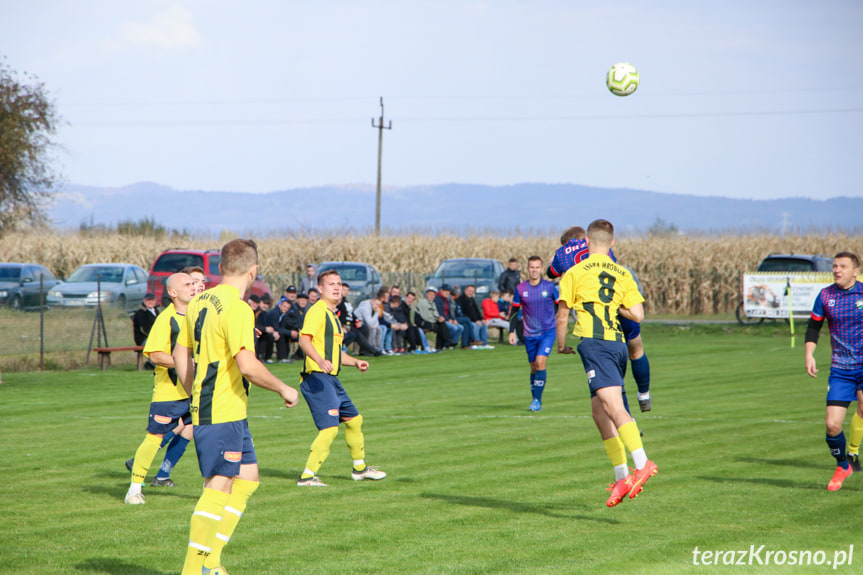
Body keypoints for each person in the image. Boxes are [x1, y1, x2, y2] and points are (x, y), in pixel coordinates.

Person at [173, 238, 299, 575]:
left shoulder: (200, 301)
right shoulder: (239, 308)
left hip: (225, 410)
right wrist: (284, 388)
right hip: (221, 411)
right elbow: (247, 365)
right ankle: (192, 570)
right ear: (253, 270)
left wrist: (191, 392)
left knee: (247, 478)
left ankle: (211, 562)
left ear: (220, 267)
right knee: (218, 485)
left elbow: (180, 352)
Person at [555, 219, 657, 508]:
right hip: (618, 345)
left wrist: (561, 345)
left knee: (613, 408)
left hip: (595, 345)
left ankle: (642, 463)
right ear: (612, 243)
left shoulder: (574, 272)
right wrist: (615, 306)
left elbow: (562, 316)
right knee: (599, 413)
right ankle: (621, 475)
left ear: (587, 242)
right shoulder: (622, 273)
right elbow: (638, 315)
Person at [547, 224, 652, 413]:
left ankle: (627, 417)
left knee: (610, 373)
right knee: (636, 349)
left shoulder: (563, 253)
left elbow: (550, 273)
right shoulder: (603, 248)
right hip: (616, 303)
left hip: (594, 319)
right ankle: (644, 394)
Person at [297, 269, 387, 487]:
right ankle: (307, 477)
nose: (336, 287)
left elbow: (336, 354)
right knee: (329, 428)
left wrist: (355, 362)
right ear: (320, 289)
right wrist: (319, 360)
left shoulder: (333, 316)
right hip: (317, 378)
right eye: (331, 284)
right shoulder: (318, 311)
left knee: (354, 421)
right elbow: (304, 341)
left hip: (331, 379)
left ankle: (360, 470)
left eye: (338, 283)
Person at [124, 273, 196, 504]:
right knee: (155, 437)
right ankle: (134, 490)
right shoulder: (166, 319)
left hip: (198, 391)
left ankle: (215, 488)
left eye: (194, 284)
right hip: (170, 392)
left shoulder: (200, 316)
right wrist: (185, 364)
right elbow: (155, 354)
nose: (193, 287)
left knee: (205, 434)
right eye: (187, 284)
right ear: (173, 293)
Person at [804, 251, 863, 491]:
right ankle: (843, 465)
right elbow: (813, 326)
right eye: (835, 266)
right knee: (832, 425)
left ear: (855, 271)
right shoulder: (825, 295)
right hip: (840, 369)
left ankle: (853, 452)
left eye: (843, 266)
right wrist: (809, 354)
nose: (837, 270)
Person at [509, 256, 558, 412]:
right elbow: (514, 311)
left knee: (540, 362)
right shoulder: (521, 289)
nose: (534, 270)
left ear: (542, 269)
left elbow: (560, 306)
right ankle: (534, 398)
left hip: (548, 332)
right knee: (533, 367)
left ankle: (537, 400)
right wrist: (511, 331)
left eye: (537, 267)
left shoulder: (550, 287)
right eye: (532, 267)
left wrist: (554, 319)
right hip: (529, 334)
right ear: (528, 269)